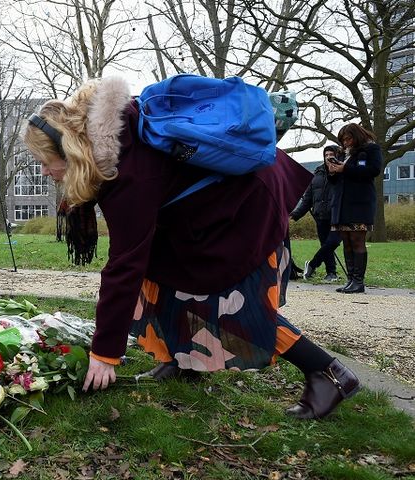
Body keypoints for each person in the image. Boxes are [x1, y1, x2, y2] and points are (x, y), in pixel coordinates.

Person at [22, 76, 360, 419]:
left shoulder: (127, 172)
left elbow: (124, 265)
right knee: (165, 276)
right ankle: (181, 361)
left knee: (228, 306)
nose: (44, 170)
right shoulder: (114, 137)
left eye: (45, 160)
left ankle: (328, 373)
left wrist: (104, 352)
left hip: (244, 208)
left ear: (73, 151)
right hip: (220, 204)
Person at [327, 123, 383, 294]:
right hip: (343, 203)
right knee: (347, 241)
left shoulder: (371, 149)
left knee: (357, 240)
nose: (346, 143)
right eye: (343, 140)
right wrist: (333, 171)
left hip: (360, 203)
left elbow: (373, 170)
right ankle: (351, 279)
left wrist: (346, 168)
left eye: (348, 138)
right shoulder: (345, 154)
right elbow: (337, 182)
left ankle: (359, 281)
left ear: (356, 136)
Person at [290, 145, 343, 281]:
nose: (328, 158)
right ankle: (331, 272)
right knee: (325, 244)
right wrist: (294, 215)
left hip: (338, 215)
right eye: (326, 155)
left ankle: (312, 264)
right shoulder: (317, 173)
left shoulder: (343, 172)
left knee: (333, 242)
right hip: (320, 215)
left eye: (331, 155)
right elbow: (308, 199)